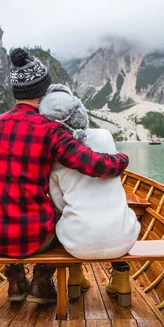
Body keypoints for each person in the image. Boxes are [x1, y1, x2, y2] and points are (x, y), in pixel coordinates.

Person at [0, 48, 129, 304]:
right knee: (61, 218)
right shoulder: (50, 131)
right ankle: (41, 284)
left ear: (17, 92)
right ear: (44, 91)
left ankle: (16, 281)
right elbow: (91, 164)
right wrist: (121, 160)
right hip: (33, 239)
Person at [39, 84, 140, 307]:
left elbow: (58, 205)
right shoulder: (104, 136)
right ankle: (122, 281)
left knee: (61, 219)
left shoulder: (56, 154)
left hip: (77, 244)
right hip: (123, 240)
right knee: (122, 212)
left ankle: (75, 278)